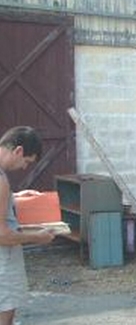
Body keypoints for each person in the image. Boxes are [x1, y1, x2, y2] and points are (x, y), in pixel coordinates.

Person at [0, 126, 55, 325]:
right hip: (2, 262)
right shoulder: (1, 181)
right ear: (18, 151)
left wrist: (12, 198)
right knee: (5, 314)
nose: (24, 167)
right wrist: (37, 237)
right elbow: (2, 236)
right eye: (26, 161)